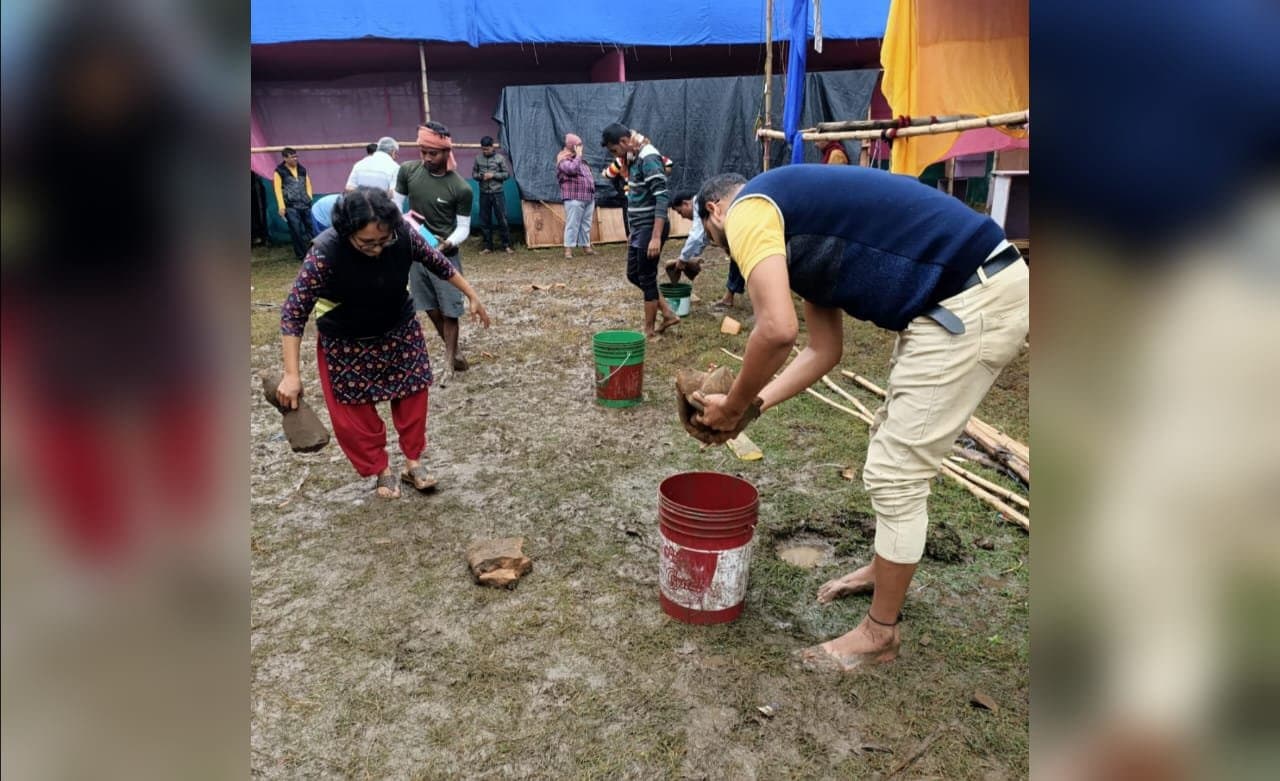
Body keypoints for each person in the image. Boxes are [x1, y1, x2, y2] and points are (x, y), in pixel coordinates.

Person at [690, 165, 1028, 672]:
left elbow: (778, 330)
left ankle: (879, 634)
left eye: (720, 245)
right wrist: (753, 409)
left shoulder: (748, 210)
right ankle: (884, 565)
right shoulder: (797, 225)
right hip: (962, 295)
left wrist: (734, 404)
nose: (731, 255)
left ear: (714, 211)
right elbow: (823, 350)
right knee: (890, 440)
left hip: (970, 297)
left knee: (897, 473)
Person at [276, 187, 490, 499]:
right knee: (354, 414)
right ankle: (381, 470)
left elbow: (438, 263)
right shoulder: (324, 254)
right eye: (366, 243)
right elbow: (293, 313)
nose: (377, 248)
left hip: (398, 329)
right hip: (346, 341)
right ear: (346, 231)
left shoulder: (403, 233)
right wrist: (292, 375)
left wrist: (471, 293)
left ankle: (413, 463)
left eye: (383, 240)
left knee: (414, 396)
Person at [396, 121, 474, 381]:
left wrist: (446, 245)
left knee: (451, 308)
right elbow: (395, 207)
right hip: (416, 253)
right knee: (429, 307)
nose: (427, 158)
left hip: (445, 254)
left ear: (446, 151)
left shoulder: (461, 188)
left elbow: (463, 228)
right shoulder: (408, 172)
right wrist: (403, 228)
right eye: (423, 152)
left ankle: (449, 362)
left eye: (433, 153)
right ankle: (455, 351)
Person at [601, 122, 680, 338]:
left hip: (650, 228)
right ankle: (667, 312)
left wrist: (655, 237)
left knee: (646, 275)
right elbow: (636, 195)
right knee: (633, 274)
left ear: (624, 142)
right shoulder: (633, 156)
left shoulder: (649, 157)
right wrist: (633, 231)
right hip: (639, 228)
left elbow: (662, 197)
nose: (615, 155)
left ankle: (649, 330)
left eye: (614, 150)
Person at [666, 192, 745, 309]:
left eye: (680, 212)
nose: (682, 216)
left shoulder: (699, 204)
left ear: (686, 203)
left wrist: (683, 259)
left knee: (742, 259)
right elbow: (704, 237)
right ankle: (729, 297)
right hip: (739, 225)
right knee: (737, 258)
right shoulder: (703, 203)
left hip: (743, 223)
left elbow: (696, 237)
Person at [471, 136, 514, 255]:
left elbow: (506, 175)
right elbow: (474, 174)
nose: (485, 151)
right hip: (484, 193)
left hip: (498, 193)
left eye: (487, 149)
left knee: (502, 219)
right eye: (483, 149)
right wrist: (480, 176)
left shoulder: (500, 158)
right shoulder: (478, 158)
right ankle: (487, 247)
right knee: (484, 220)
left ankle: (506, 245)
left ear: (492, 147)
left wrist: (493, 175)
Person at [556, 132, 596, 259]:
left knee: (586, 224)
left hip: (588, 197)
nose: (581, 147)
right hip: (574, 197)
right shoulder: (563, 159)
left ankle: (586, 246)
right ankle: (568, 250)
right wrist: (578, 156)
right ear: (571, 145)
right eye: (578, 145)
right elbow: (571, 170)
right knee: (572, 224)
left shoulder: (581, 160)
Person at [273, 147, 315, 260]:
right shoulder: (279, 171)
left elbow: (308, 184)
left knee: (311, 228)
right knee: (296, 230)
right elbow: (277, 190)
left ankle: (315, 251)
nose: (295, 159)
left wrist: (309, 197)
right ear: (285, 158)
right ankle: (301, 255)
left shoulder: (302, 169)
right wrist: (281, 206)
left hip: (305, 204)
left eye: (296, 156)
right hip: (291, 206)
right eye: (292, 157)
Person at [347, 136, 404, 209]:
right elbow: (394, 194)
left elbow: (349, 188)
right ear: (393, 152)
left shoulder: (359, 164)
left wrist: (365, 196)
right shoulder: (395, 168)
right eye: (396, 154)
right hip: (384, 213)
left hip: (362, 211)